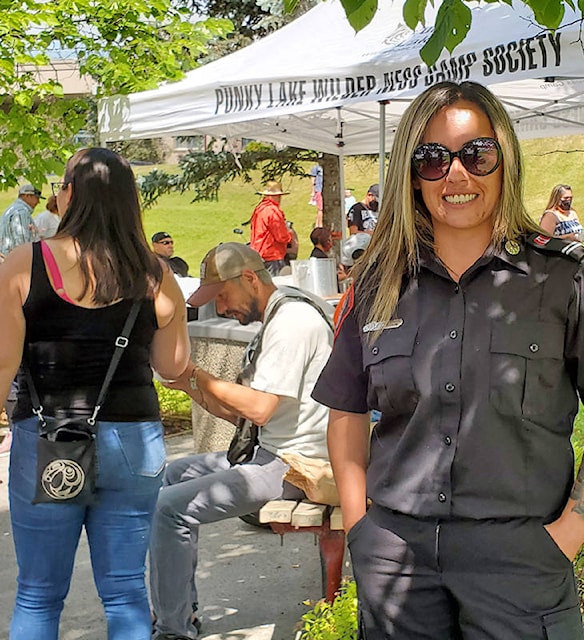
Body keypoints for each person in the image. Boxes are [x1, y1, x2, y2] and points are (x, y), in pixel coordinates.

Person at [311, 80, 584, 639]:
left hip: (521, 565)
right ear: (411, 173)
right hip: (398, 563)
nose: (456, 174)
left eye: (476, 154)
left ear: (504, 161)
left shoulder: (565, 278)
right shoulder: (376, 283)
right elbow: (346, 412)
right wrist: (359, 529)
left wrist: (571, 531)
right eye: (432, 158)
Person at [0, 147, 191, 639]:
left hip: (48, 439)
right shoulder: (156, 273)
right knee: (126, 590)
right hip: (132, 440)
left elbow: (1, 363)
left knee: (38, 595)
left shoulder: (24, 264)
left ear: (69, 196)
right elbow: (172, 367)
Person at [150, 242, 335, 640]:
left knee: (169, 509)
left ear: (250, 278)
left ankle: (172, 630)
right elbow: (241, 417)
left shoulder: (293, 322)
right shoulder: (279, 313)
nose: (220, 308)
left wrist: (197, 374)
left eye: (223, 296)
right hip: (269, 451)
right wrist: (185, 383)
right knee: (168, 479)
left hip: (296, 465)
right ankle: (182, 611)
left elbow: (260, 409)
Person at [249, 180, 293, 276]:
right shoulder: (273, 211)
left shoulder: (259, 209)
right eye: (279, 196)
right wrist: (290, 235)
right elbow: (281, 236)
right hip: (272, 256)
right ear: (276, 196)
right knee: (276, 287)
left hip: (259, 255)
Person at [0, 184, 42, 257]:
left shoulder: (13, 209)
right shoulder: (21, 213)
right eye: (37, 198)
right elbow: (22, 244)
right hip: (15, 261)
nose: (38, 202)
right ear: (27, 196)